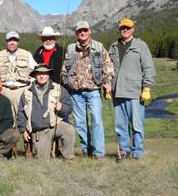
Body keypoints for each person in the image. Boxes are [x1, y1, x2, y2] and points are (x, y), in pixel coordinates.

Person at [62, 20, 114, 159]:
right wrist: (68, 83)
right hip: (76, 93)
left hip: (93, 91)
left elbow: (107, 66)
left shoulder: (99, 47)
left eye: (85, 30)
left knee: (96, 120)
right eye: (80, 31)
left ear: (90, 31)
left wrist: (107, 82)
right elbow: (64, 70)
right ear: (76, 33)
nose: (83, 33)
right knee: (80, 123)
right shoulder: (71, 48)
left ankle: (99, 153)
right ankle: (86, 150)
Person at [109, 17, 156, 159]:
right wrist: (107, 86)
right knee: (120, 126)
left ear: (133, 29)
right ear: (119, 29)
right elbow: (108, 68)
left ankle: (137, 153)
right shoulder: (113, 47)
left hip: (135, 92)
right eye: (122, 27)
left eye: (127, 28)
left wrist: (147, 87)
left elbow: (148, 67)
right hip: (117, 92)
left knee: (137, 125)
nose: (125, 30)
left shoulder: (141, 45)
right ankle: (124, 152)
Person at [17, 64, 75, 161]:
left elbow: (69, 107)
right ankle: (53, 152)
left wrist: (62, 107)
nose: (42, 76)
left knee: (69, 129)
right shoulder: (26, 92)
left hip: (55, 125)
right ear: (35, 75)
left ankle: (68, 158)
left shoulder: (58, 88)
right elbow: (20, 113)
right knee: (43, 161)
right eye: (39, 73)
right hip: (39, 130)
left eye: (44, 73)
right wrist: (23, 130)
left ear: (49, 75)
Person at [0, 31, 37, 125]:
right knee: (5, 119)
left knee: (24, 119)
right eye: (10, 40)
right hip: (4, 91)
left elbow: (36, 72)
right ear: (6, 42)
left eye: (14, 40)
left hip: (22, 90)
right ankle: (9, 138)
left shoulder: (27, 54)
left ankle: (25, 137)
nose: (12, 42)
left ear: (18, 42)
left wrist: (30, 86)